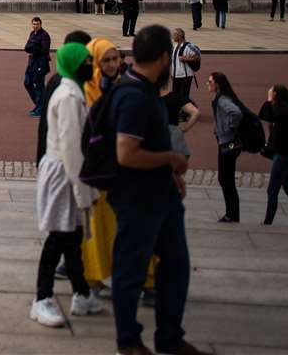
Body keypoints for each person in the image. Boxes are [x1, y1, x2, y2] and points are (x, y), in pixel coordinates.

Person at [106, 24, 193, 355]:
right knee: (131, 271)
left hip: (161, 195)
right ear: (161, 58)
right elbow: (125, 152)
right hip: (137, 197)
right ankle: (128, 340)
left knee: (175, 266)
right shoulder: (132, 95)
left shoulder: (144, 90)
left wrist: (168, 173)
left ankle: (170, 336)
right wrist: (169, 158)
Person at [30, 41, 103, 328]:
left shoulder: (72, 91)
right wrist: (84, 191)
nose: (91, 66)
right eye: (86, 61)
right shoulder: (71, 96)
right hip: (64, 172)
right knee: (59, 236)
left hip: (63, 169)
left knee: (72, 237)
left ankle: (82, 294)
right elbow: (73, 150)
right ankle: (42, 298)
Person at [80, 37, 125, 295]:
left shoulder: (121, 87)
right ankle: (94, 276)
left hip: (118, 167)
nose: (112, 65)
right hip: (96, 168)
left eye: (115, 59)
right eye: (106, 60)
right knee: (95, 227)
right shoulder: (86, 89)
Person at [34, 28, 94, 163]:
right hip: (62, 163)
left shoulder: (64, 82)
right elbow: (69, 142)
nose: (90, 63)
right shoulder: (67, 92)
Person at [257, 84, 288, 227]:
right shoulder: (285, 110)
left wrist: (268, 100)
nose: (269, 93)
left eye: (271, 91)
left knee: (272, 190)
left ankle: (268, 222)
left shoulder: (283, 112)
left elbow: (264, 114)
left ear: (276, 94)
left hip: (283, 156)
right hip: (284, 155)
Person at [208, 71, 245, 223]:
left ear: (217, 84)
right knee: (226, 178)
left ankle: (232, 214)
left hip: (227, 142)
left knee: (226, 178)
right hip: (226, 141)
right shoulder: (221, 97)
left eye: (210, 82)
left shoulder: (222, 99)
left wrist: (228, 128)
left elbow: (236, 113)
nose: (207, 84)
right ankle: (232, 213)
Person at [25, 17, 52, 117]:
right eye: (34, 24)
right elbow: (27, 48)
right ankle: (40, 104)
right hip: (32, 62)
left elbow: (44, 51)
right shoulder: (32, 34)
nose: (35, 26)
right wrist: (33, 47)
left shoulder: (45, 36)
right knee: (27, 82)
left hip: (41, 63)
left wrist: (33, 48)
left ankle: (40, 108)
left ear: (41, 24)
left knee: (39, 86)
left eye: (37, 24)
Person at [170, 28, 200, 109]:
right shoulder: (175, 46)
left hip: (185, 76)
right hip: (176, 75)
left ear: (180, 36)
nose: (173, 36)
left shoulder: (188, 46)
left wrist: (186, 59)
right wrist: (172, 73)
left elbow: (198, 56)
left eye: (174, 34)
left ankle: (186, 113)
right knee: (175, 96)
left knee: (184, 96)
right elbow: (174, 61)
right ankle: (184, 110)